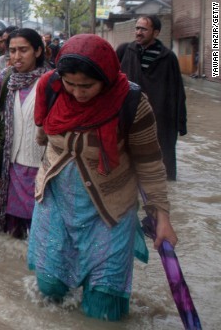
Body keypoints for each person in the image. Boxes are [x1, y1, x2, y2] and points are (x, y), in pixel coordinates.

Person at [28, 34, 178, 321]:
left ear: (107, 77)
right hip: (57, 198)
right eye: (70, 84)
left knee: (103, 305)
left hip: (110, 208)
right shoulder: (51, 88)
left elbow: (150, 164)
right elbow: (42, 134)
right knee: (50, 287)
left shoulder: (132, 103)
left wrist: (162, 217)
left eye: (87, 86)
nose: (77, 93)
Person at [0, 28, 48, 238]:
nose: (17, 57)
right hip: (13, 167)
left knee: (43, 230)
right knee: (13, 234)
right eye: (13, 51)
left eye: (23, 50)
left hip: (44, 167)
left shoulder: (51, 82)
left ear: (37, 51)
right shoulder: (5, 79)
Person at [117, 15, 187, 181]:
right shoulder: (125, 51)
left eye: (143, 29)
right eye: (137, 28)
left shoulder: (167, 57)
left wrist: (181, 123)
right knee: (127, 163)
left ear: (155, 33)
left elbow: (178, 91)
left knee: (161, 167)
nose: (138, 32)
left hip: (160, 118)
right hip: (129, 115)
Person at [0, 26, 18, 90]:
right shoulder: (0, 61)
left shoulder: (28, 60)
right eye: (4, 41)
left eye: (9, 40)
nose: (6, 44)